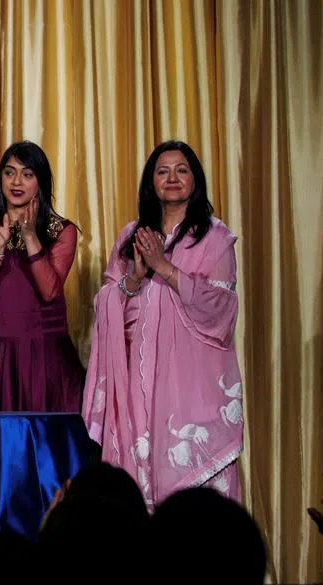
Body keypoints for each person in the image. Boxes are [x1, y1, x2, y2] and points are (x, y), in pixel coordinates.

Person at [82, 140, 243, 510]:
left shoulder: (215, 238)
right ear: (150, 181)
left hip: (190, 383)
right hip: (138, 386)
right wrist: (135, 279)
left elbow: (219, 308)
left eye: (181, 170)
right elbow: (107, 303)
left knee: (197, 504)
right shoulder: (130, 237)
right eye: (162, 170)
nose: (172, 178)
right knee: (140, 489)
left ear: (195, 180)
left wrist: (164, 267)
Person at [0, 140, 84, 412]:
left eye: (27, 174)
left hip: (47, 355)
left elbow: (50, 291)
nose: (16, 181)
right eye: (9, 172)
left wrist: (30, 236)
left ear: (39, 182)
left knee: (48, 444)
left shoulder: (61, 231)